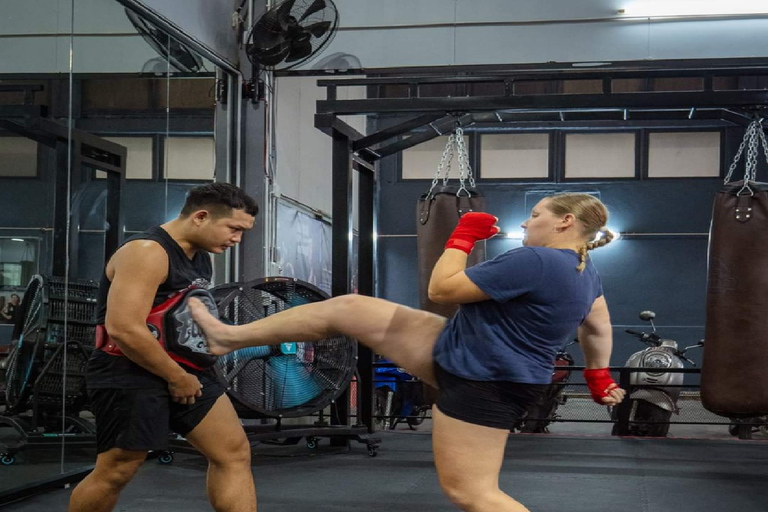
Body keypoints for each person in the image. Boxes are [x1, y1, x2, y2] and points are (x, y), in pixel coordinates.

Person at [188, 192, 625, 512]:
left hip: (485, 378)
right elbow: (598, 326)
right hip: (464, 350)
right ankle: (228, 338)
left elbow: (441, 290)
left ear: (566, 221)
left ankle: (227, 337)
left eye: (534, 216)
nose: (526, 225)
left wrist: (463, 236)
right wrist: (598, 376)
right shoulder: (587, 273)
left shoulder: (533, 260)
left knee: (472, 492)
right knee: (350, 308)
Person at [69, 182, 259, 512]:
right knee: (118, 469)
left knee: (233, 452)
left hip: (187, 369)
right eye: (234, 229)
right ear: (201, 216)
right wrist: (175, 376)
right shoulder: (147, 252)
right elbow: (124, 329)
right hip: (128, 370)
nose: (237, 239)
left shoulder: (199, 257)